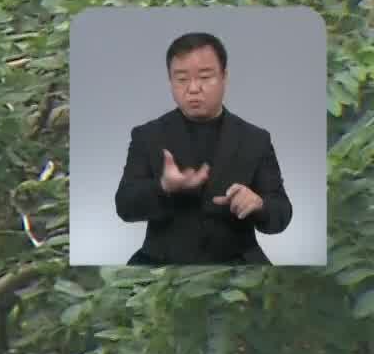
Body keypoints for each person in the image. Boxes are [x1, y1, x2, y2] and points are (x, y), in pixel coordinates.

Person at [113, 31, 292, 264]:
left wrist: (258, 204)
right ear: (170, 81)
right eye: (182, 79)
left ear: (224, 77)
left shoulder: (255, 139)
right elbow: (125, 206)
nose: (193, 88)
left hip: (236, 263)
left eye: (205, 77)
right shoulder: (147, 136)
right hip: (162, 264)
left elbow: (281, 212)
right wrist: (164, 187)